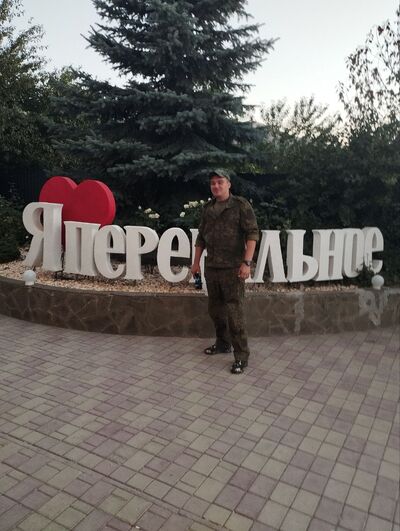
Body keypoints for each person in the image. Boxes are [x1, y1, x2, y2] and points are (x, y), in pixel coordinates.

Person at [191, 169, 259, 374]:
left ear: (229, 184)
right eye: (213, 183)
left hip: (232, 269)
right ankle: (223, 343)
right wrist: (195, 263)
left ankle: (241, 356)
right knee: (215, 310)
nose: (216, 186)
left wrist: (246, 263)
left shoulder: (240, 205)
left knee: (234, 314)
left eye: (220, 182)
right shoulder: (208, 208)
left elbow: (252, 233)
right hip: (212, 267)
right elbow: (201, 237)